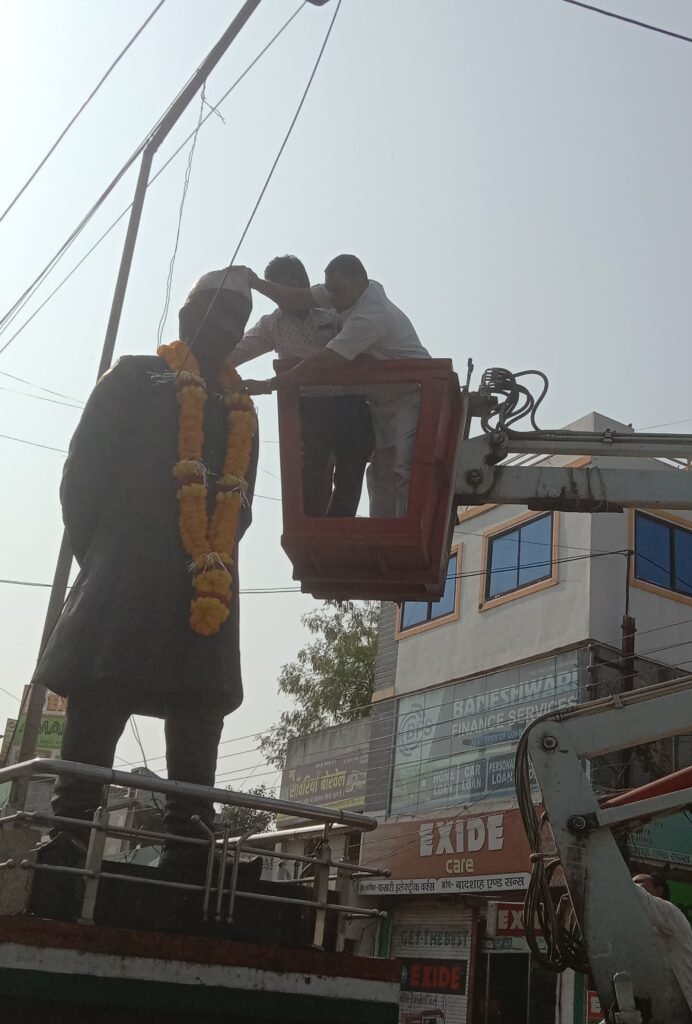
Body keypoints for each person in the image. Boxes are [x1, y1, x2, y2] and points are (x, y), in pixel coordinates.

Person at [32, 267, 259, 873]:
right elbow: (81, 479)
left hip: (205, 578)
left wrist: (208, 554)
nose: (229, 328)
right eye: (218, 313)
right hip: (126, 569)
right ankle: (71, 830)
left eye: (239, 320)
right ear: (188, 317)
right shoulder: (133, 376)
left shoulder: (242, 409)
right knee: (102, 689)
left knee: (200, 704)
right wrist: (106, 555)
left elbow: (244, 505)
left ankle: (191, 840)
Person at [242, 254, 430, 518]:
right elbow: (294, 298)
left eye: (338, 291)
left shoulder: (367, 318)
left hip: (408, 397)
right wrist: (253, 282)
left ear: (358, 282)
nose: (333, 298)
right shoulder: (342, 294)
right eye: (329, 290)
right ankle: (379, 532)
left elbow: (322, 363)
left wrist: (268, 384)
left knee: (402, 468)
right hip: (372, 402)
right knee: (380, 472)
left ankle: (403, 529)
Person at [230, 254, 374, 517]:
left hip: (349, 404)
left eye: (284, 290)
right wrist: (200, 362)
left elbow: (362, 348)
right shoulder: (273, 324)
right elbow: (237, 352)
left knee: (350, 472)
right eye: (275, 292)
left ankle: (338, 528)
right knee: (310, 477)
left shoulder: (335, 311)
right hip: (308, 408)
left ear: (303, 284)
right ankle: (315, 531)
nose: (281, 298)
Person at [633, 873, 692, 1024]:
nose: (636, 887)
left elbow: (636, 896)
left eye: (641, 884)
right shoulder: (644, 931)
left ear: (659, 891)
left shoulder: (670, 912)